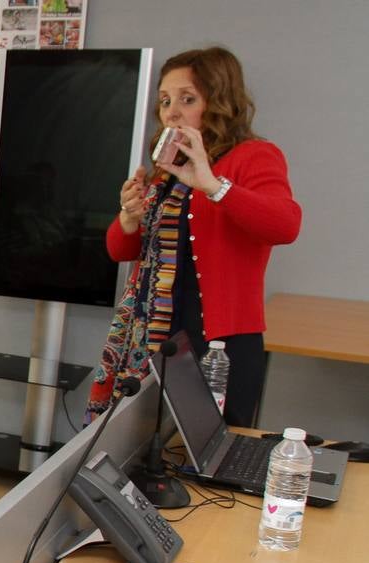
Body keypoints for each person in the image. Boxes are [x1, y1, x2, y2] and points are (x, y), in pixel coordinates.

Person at [89, 47, 301, 426]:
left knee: (215, 462)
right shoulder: (166, 168)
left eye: (187, 99)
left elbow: (285, 225)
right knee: (137, 453)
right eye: (165, 100)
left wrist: (213, 186)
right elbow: (121, 251)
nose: (171, 111)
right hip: (152, 339)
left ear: (219, 102)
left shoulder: (253, 156)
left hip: (220, 343)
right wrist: (128, 218)